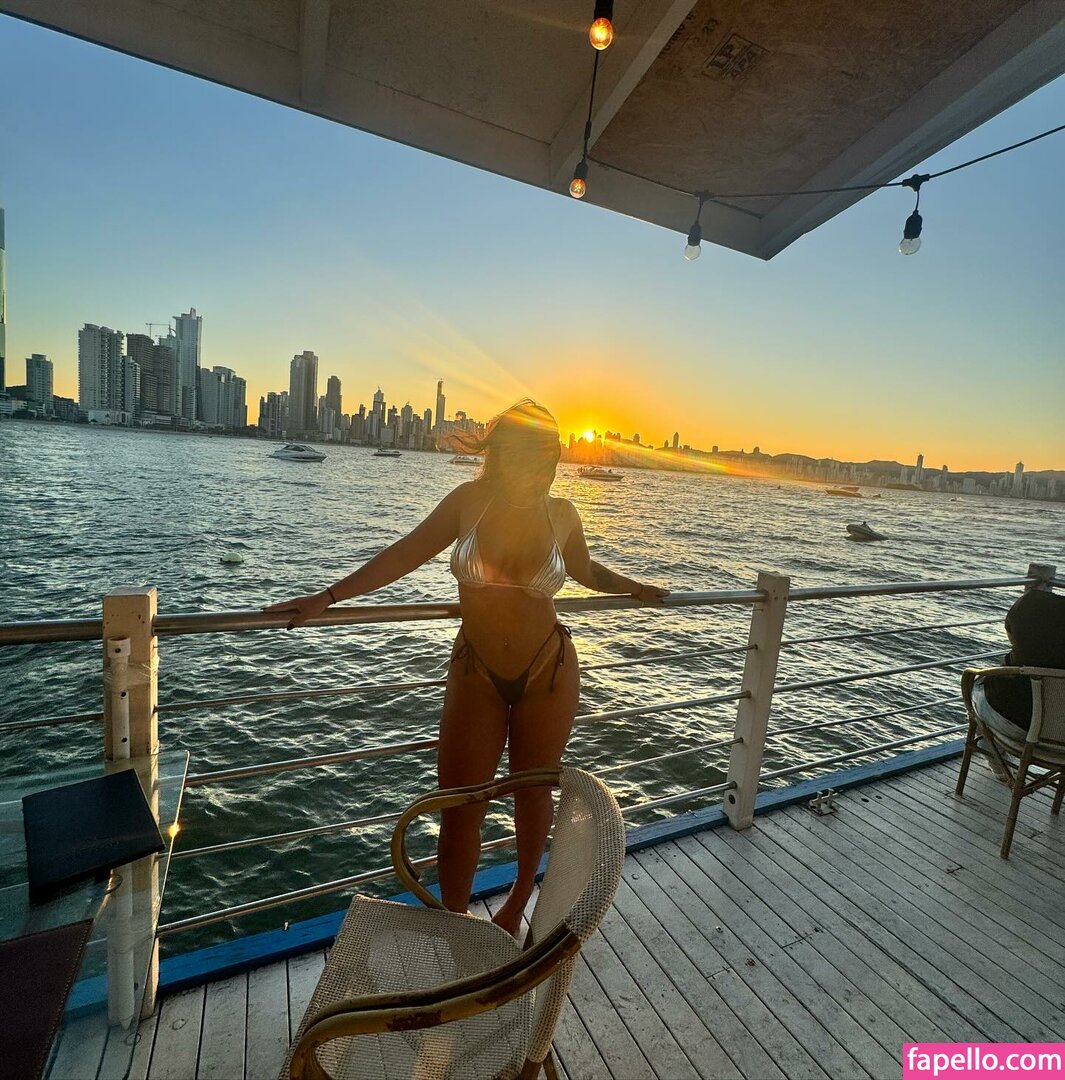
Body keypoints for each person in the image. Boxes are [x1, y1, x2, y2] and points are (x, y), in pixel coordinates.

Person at [264, 400, 668, 936]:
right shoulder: (469, 502)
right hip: (476, 670)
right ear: (501, 454)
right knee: (459, 805)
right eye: (527, 453)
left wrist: (635, 587)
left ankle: (517, 903)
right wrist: (329, 597)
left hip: (548, 670)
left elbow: (585, 570)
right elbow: (404, 554)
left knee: (532, 794)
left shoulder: (563, 513)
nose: (539, 465)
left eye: (547, 454)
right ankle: (455, 922)